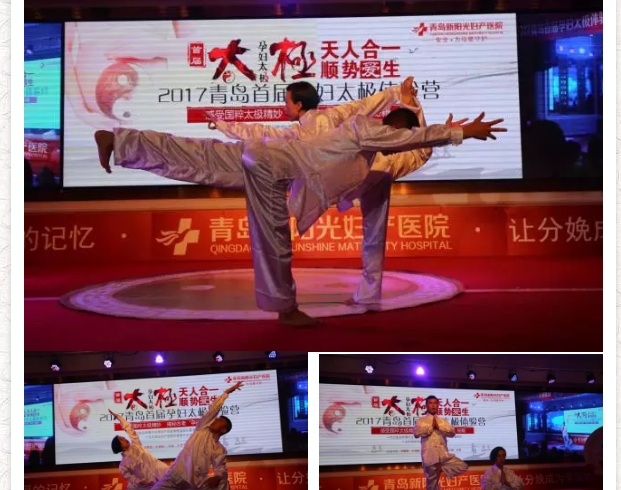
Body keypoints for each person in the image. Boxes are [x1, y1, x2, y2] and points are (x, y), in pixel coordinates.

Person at [95, 95, 505, 326]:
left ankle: (121, 140)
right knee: (272, 237)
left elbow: (412, 150)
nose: (399, 141)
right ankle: (285, 309)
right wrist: (461, 132)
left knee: (198, 157)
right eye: (401, 134)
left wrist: (434, 132)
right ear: (393, 126)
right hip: (274, 169)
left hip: (265, 159)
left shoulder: (374, 152)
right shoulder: (364, 128)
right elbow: (406, 139)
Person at [110, 381, 243, 490]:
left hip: (194, 480)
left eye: (220, 421)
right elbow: (213, 409)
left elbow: (221, 467)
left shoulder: (219, 449)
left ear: (223, 430)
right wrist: (226, 393)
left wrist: (218, 476)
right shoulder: (202, 429)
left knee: (222, 483)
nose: (216, 419)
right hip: (174, 476)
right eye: (217, 418)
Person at [109, 408, 213, 490]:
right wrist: (140, 481)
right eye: (121, 439)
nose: (125, 438)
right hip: (149, 482)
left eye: (123, 437)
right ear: (119, 446)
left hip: (162, 471)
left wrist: (119, 418)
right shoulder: (123, 465)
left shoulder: (136, 445)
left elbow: (130, 429)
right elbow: (128, 476)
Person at [413, 395, 469, 490]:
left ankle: (443, 469)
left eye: (435, 403)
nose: (433, 405)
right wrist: (430, 428)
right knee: (432, 485)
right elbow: (416, 433)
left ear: (438, 405)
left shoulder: (443, 421)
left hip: (444, 456)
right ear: (426, 405)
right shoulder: (421, 421)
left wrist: (439, 427)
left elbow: (452, 433)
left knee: (463, 466)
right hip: (429, 456)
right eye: (430, 403)